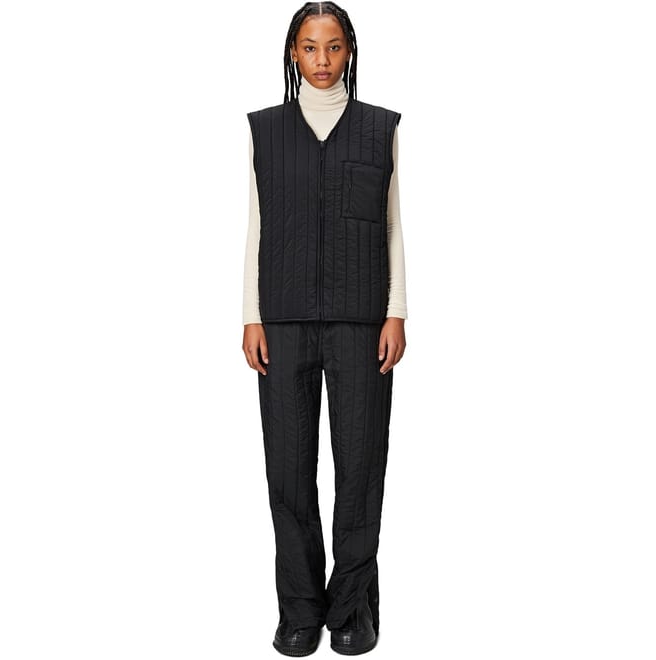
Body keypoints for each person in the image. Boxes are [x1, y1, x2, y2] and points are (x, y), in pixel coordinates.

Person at [241, 2, 407, 655]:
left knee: (360, 469)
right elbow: (255, 226)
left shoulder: (380, 128)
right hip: (281, 320)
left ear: (349, 52)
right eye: (309, 47)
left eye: (333, 47)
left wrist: (397, 310)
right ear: (293, 53)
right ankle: (300, 611)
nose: (321, 60)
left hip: (362, 322)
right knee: (288, 473)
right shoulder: (264, 130)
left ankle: (353, 608)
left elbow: (393, 225)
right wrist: (251, 315)